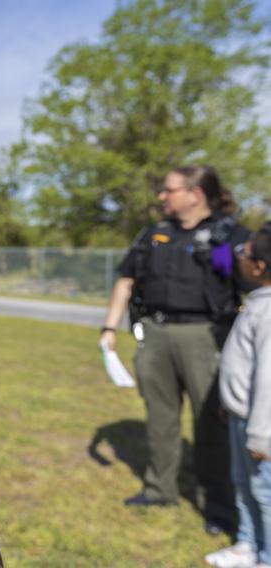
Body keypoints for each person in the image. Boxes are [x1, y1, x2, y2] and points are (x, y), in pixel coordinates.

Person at [100, 165, 254, 533]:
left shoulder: (227, 235)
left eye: (169, 190)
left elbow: (246, 283)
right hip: (155, 333)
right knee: (160, 417)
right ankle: (159, 489)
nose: (162, 197)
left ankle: (218, 505)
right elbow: (127, 280)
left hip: (206, 336)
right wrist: (109, 327)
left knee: (211, 423)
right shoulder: (155, 234)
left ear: (195, 194)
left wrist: (223, 253)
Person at [205, 222, 271, 568]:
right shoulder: (258, 301)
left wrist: (261, 434)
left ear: (259, 266)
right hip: (241, 417)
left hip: (262, 429)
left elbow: (268, 381)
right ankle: (248, 544)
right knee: (244, 488)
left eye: (245, 252)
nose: (238, 255)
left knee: (265, 493)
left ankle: (267, 555)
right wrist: (230, 405)